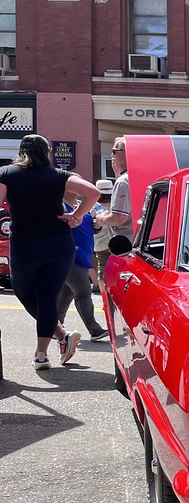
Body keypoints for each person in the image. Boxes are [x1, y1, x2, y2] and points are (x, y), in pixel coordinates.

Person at [0, 134, 100, 369]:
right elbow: (94, 192)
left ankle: (58, 338)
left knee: (25, 293)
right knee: (46, 297)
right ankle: (43, 353)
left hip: (25, 244)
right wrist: (77, 216)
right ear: (46, 153)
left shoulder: (7, 173)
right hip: (58, 243)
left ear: (21, 151)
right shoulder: (58, 175)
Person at [58, 199, 109, 342]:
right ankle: (94, 329)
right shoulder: (60, 205)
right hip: (70, 255)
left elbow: (93, 227)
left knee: (65, 294)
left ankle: (53, 326)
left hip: (84, 252)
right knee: (83, 292)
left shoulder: (84, 203)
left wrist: (97, 225)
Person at [94, 136, 133, 241]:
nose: (112, 155)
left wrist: (100, 218)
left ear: (125, 153)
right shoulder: (135, 177)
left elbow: (118, 218)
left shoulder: (123, 181)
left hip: (124, 246)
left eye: (114, 151)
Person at [91, 178, 114, 291]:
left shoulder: (93, 207)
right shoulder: (116, 205)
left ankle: (104, 295)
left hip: (100, 243)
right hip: (116, 241)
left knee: (102, 269)